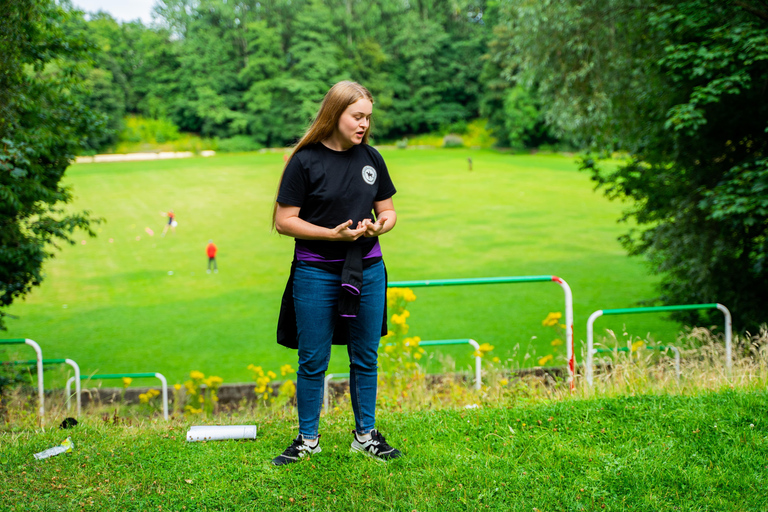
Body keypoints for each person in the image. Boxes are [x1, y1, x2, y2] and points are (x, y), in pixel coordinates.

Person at [272, 81, 400, 466]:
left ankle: (365, 436)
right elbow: (283, 221)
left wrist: (381, 226)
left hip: (368, 269)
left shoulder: (371, 158)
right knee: (313, 358)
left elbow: (389, 211)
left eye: (367, 118)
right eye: (357, 116)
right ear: (335, 114)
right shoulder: (304, 161)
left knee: (366, 356)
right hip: (315, 271)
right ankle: (308, 438)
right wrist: (331, 234)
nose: (364, 124)